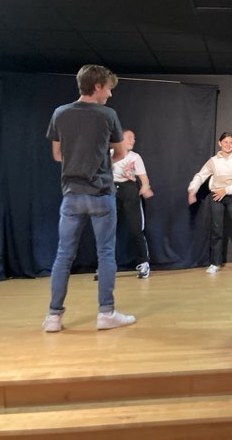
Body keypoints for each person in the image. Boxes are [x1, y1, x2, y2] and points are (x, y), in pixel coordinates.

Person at [42, 64, 136, 332]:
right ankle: (106, 313)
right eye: (108, 88)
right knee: (106, 253)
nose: (110, 94)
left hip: (71, 194)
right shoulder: (108, 115)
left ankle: (53, 317)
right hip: (101, 193)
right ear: (97, 86)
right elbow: (120, 153)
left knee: (64, 255)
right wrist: (101, 158)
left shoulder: (60, 113)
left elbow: (57, 154)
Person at [187, 132, 232, 273]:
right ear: (220, 143)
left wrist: (226, 190)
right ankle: (215, 263)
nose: (228, 145)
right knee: (216, 230)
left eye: (231, 142)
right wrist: (192, 190)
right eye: (225, 142)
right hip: (216, 198)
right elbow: (200, 176)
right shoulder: (213, 161)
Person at [112, 129, 153, 279]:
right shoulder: (110, 154)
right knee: (108, 230)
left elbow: (144, 178)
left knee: (136, 229)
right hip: (112, 190)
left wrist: (145, 186)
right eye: (129, 137)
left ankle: (144, 263)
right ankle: (106, 266)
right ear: (120, 139)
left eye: (134, 138)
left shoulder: (135, 157)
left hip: (129, 190)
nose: (133, 140)